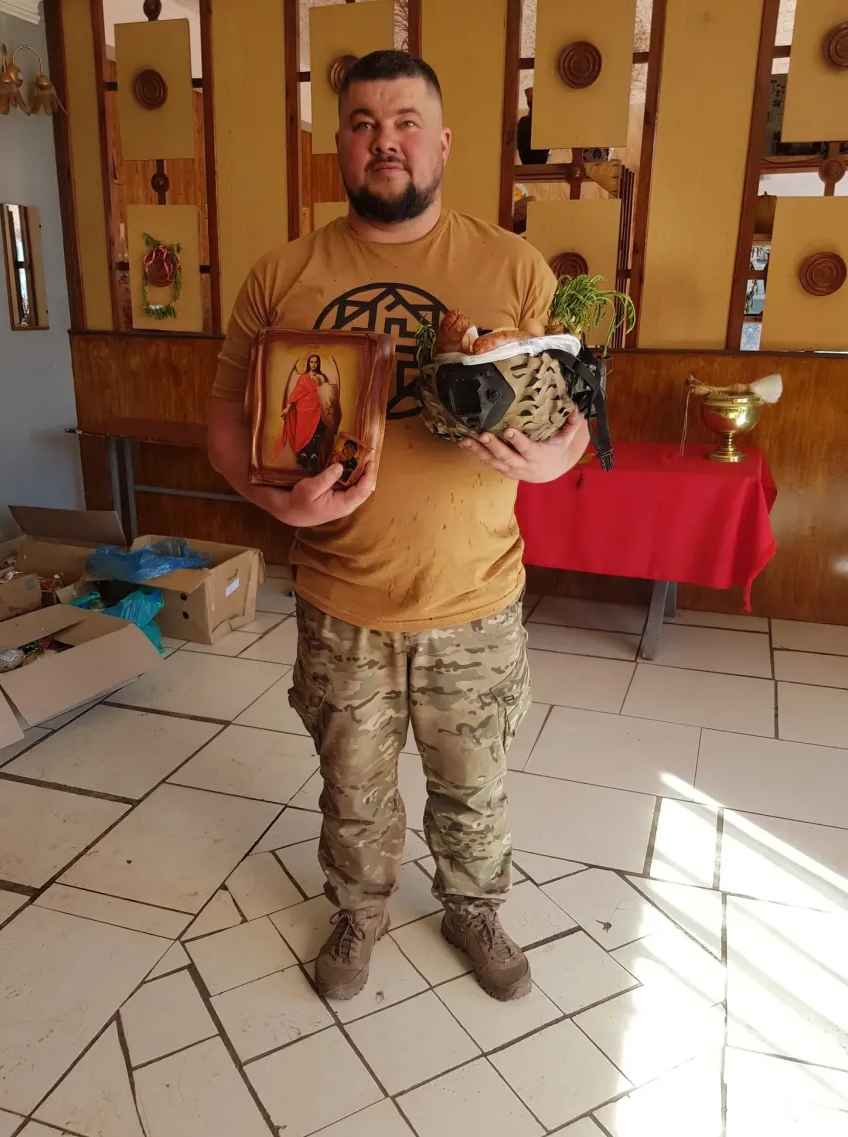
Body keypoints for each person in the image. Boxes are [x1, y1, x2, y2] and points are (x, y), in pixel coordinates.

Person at [208, 50, 589, 1003]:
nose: (387, 141)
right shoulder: (281, 275)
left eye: (406, 122)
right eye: (364, 123)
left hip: (475, 598)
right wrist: (275, 502)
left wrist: (556, 461)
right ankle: (359, 908)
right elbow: (224, 421)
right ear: (337, 143)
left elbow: (573, 410)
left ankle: (474, 906)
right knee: (352, 785)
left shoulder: (513, 266)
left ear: (442, 142)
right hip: (342, 598)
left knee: (474, 783)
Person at [279, 354, 335, 472]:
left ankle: (313, 456)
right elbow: (295, 394)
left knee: (315, 433)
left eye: (315, 362)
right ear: (308, 363)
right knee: (302, 433)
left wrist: (321, 381)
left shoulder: (322, 377)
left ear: (318, 364)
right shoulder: (303, 378)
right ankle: (303, 456)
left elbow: (326, 393)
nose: (313, 364)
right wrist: (287, 408)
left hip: (317, 409)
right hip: (302, 410)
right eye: (311, 362)